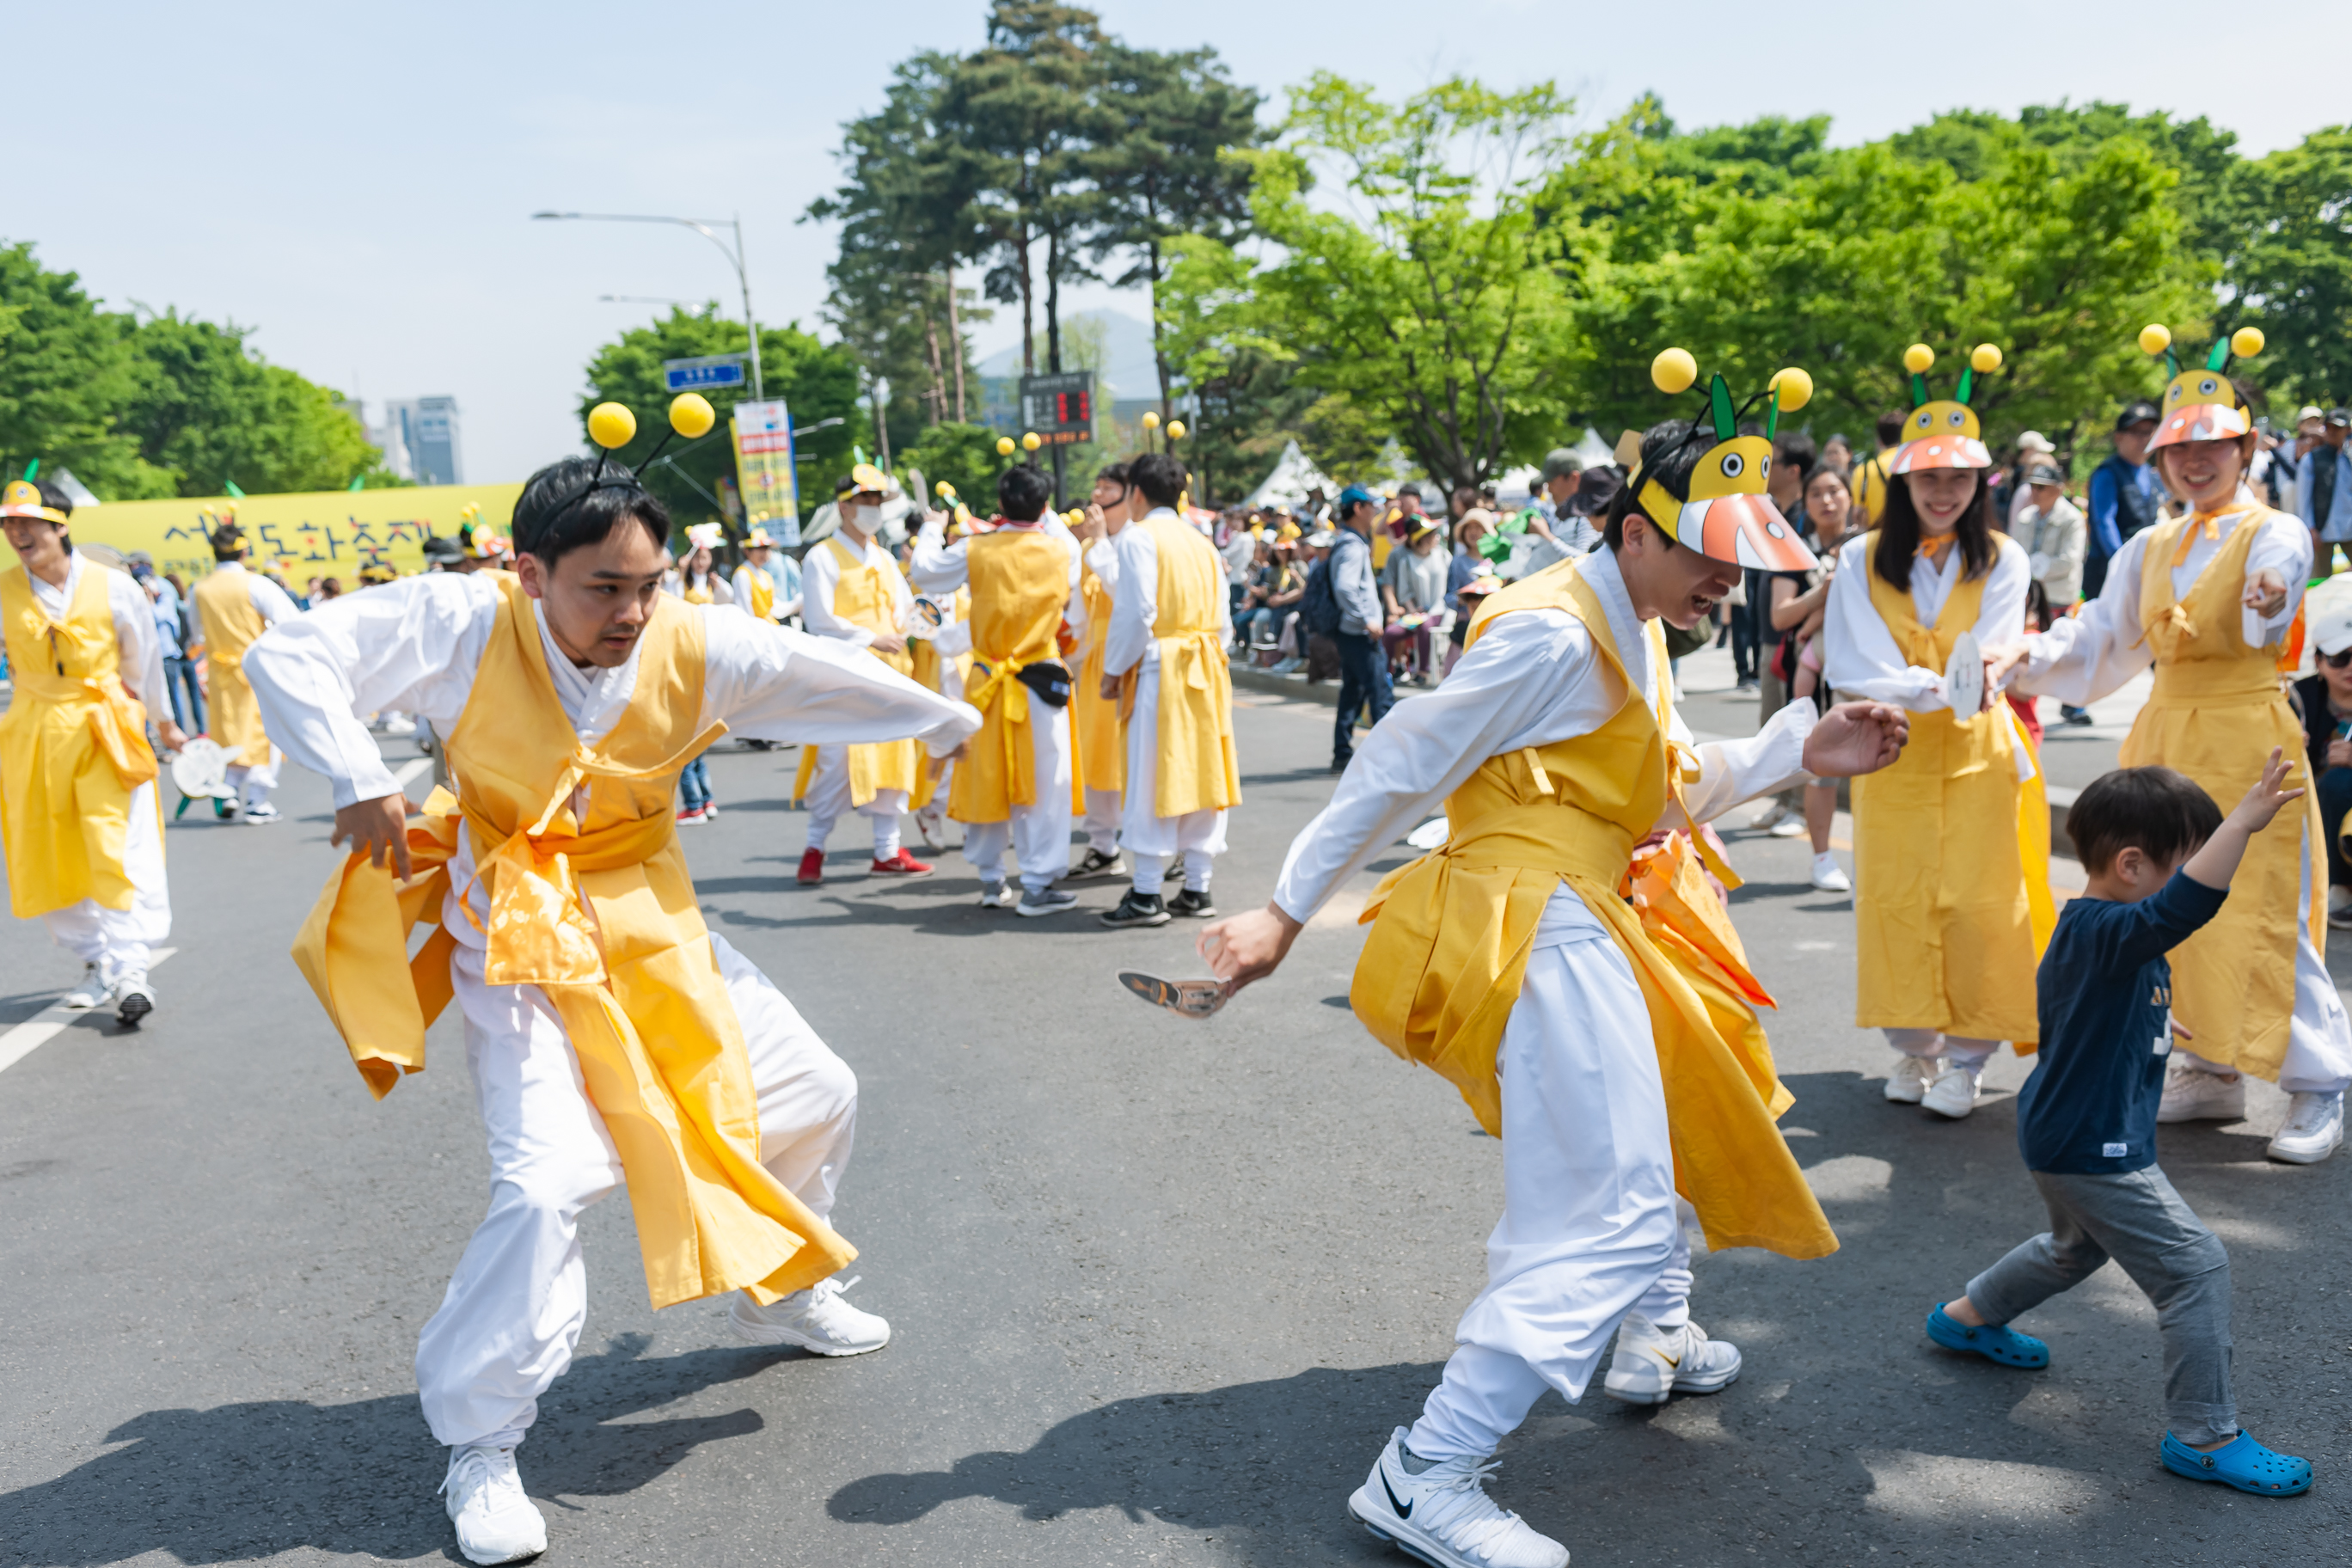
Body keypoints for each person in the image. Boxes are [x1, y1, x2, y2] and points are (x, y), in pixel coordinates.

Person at [1194, 356, 1908, 1568]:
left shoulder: (1627, 620)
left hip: (1574, 915)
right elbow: (1399, 759)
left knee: (1595, 1196)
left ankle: (1645, 1340)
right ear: (1636, 533)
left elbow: (1659, 789)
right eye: (1708, 559)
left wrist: (1805, 743)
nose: (1727, 584)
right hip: (1539, 925)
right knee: (1619, 1214)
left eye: (1739, 564)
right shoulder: (1552, 635)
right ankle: (1428, 1468)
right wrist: (1282, 910)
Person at [246, 446, 979, 1566]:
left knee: (816, 1090)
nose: (632, 611)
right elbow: (291, 649)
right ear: (533, 573)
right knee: (546, 1184)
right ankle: (482, 1446)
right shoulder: (463, 622)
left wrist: (941, 721)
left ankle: (782, 1290)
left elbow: (809, 673)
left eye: (647, 585)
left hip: (655, 919)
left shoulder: (693, 640)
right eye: (604, 588)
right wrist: (358, 775)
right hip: (520, 934)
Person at [1991, 325, 2350, 1166]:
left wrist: (2269, 593)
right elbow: (2100, 641)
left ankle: (2316, 1085)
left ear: (2248, 447)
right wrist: (2024, 654)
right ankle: (2212, 1069)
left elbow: (2277, 583)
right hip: (2163, 745)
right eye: (2179, 451)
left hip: (2249, 742)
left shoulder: (2274, 532)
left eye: (2216, 446)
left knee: (2264, 913)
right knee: (2163, 908)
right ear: (2157, 461)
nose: (2197, 463)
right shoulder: (2151, 547)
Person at [1929, 757, 2313, 1500]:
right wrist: (2239, 823)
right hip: (2092, 1147)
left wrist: (2153, 1017)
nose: (2192, 878)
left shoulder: (2094, 934)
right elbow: (2178, 913)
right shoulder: (2108, 930)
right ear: (2132, 866)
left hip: (2065, 1133)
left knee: (2074, 1250)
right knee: (2194, 1267)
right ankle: (2205, 1436)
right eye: (2185, 861)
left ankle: (1968, 1317)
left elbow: (2088, 1004)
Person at [1825, 342, 2051, 1122]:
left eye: (1959, 477)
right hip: (1890, 754)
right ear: (1903, 479)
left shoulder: (2006, 558)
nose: (1945, 491)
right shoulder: (1858, 558)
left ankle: (1968, 1058)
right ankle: (1913, 1048)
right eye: (1930, 477)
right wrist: (1932, 686)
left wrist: (1944, 681)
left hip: (1977, 754)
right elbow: (1854, 659)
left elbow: (1986, 653)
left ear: (1980, 482)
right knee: (1898, 899)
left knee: (1980, 902)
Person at [1, 478, 180, 1024]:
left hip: (103, 729)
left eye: (28, 523)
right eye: (10, 524)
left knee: (113, 846)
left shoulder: (114, 587)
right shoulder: (5, 589)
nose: (17, 533)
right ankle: (95, 959)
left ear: (60, 526)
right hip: (32, 733)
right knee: (48, 846)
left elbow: (144, 662)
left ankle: (130, 970)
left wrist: (165, 724)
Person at [910, 464, 1083, 916]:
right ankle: (1039, 883)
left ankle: (991, 879)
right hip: (1041, 679)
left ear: (1002, 505)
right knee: (1049, 783)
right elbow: (1076, 614)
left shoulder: (975, 549)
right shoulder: (1063, 549)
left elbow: (924, 572)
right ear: (1045, 507)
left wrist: (932, 529)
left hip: (987, 678)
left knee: (985, 774)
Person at [1097, 451, 1240, 928]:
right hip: (1206, 665)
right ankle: (1196, 886)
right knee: (1204, 773)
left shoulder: (1140, 538)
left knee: (1152, 774)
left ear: (1137, 492)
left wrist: (1114, 669)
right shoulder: (1201, 542)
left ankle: (1145, 894)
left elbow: (1136, 614)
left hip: (1164, 667)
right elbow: (1223, 621)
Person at [793, 465, 935, 884]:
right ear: (844, 506)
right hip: (846, 674)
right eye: (865, 501)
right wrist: (871, 638)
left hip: (891, 674)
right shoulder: (822, 556)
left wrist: (926, 619)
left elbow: (908, 609)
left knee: (894, 757)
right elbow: (819, 619)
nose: (872, 509)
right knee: (838, 762)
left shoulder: (886, 558)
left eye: (877, 502)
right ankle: (815, 847)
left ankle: (887, 851)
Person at [1773, 463, 1855, 888]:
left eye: (1834, 491)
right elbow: (1780, 614)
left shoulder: (1868, 545)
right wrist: (1819, 597)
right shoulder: (1795, 553)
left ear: (1849, 495)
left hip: (1863, 668)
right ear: (1804, 503)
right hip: (1818, 670)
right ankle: (1823, 857)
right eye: (1816, 494)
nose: (1827, 501)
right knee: (1822, 766)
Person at [193, 517, 302, 824]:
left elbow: (195, 633)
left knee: (228, 730)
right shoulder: (256, 584)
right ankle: (257, 800)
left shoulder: (199, 589)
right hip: (256, 668)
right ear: (244, 553)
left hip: (218, 671)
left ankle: (229, 787)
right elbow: (290, 622)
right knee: (261, 732)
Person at [1750, 431, 1818, 834]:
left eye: (1770, 463)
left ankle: (1799, 806)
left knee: (1798, 725)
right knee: (1773, 725)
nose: (1763, 471)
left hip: (1797, 642)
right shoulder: (1773, 511)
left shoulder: (1805, 518)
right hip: (1770, 636)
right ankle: (1782, 801)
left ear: (1793, 471)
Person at [1069, 463, 1132, 881]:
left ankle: (1180, 848)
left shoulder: (1135, 542)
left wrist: (1096, 543)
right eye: (1095, 490)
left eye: (1107, 491)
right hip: (1095, 663)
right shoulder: (1095, 546)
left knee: (1138, 755)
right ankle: (1102, 844)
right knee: (1097, 754)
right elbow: (1077, 610)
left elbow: (1122, 590)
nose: (1097, 500)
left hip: (1132, 660)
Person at [1323, 484, 1393, 770]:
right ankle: (1388, 757)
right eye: (1371, 506)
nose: (1375, 511)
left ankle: (1342, 752)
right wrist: (1368, 620)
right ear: (1357, 509)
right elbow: (1345, 588)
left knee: (1352, 692)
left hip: (1349, 632)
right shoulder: (1352, 546)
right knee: (1380, 694)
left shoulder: (1349, 542)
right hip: (1361, 632)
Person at [2294, 593, 2352, 928]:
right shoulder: (2297, 699)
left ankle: (2341, 886)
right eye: (2340, 658)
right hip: (2308, 804)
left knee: (2338, 782)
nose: (2350, 667)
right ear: (2318, 660)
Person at [2085, 401, 2165, 599]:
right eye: (2137, 432)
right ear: (2118, 437)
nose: (2145, 438)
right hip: (2109, 569)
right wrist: (2122, 563)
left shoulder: (2152, 473)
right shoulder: (2108, 473)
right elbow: (2104, 522)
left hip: (2143, 567)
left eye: (2150, 432)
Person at [1380, 518, 1449, 685]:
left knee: (1425, 627)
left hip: (1439, 611)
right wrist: (1413, 611)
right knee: (1390, 633)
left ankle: (1423, 672)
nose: (1434, 538)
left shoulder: (1444, 555)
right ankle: (1385, 672)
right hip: (1415, 613)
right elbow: (1403, 592)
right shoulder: (1406, 560)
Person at [142, 562, 206, 735]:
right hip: (183, 654)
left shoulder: (166, 600)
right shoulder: (183, 604)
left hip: (172, 655)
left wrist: (149, 600)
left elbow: (155, 617)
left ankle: (182, 733)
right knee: (184, 695)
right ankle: (196, 731)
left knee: (174, 697)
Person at [2297, 407, 2352, 567]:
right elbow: (2303, 497)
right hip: (2323, 529)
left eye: (2338, 428)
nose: (2333, 432)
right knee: (2320, 580)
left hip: (2349, 528)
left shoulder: (2349, 458)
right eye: (2330, 427)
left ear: (2347, 430)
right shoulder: (2312, 459)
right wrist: (2310, 528)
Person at [1850, 408, 1907, 525]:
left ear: (1880, 441)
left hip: (1876, 538)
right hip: (1911, 534)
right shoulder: (1912, 464)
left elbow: (1858, 513)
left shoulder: (1863, 470)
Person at [732, 527, 797, 622]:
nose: (765, 553)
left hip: (770, 627)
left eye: (766, 548)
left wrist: (798, 603)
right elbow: (745, 613)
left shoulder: (765, 575)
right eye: (760, 548)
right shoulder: (742, 575)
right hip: (757, 631)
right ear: (747, 551)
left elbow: (774, 608)